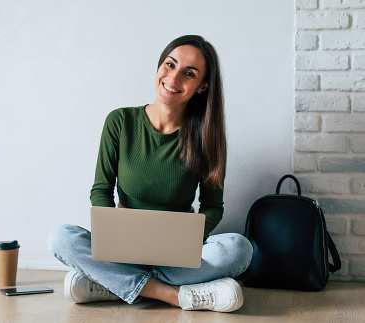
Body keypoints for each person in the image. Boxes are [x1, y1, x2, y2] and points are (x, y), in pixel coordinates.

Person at [48, 35, 253, 312]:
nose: (173, 77)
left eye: (188, 73)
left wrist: (186, 237)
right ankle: (172, 294)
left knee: (239, 248)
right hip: (123, 250)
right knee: (61, 238)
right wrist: (111, 230)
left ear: (202, 87)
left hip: (176, 256)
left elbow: (213, 207)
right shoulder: (120, 121)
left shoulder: (208, 139)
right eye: (170, 64)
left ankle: (115, 285)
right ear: (159, 67)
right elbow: (101, 190)